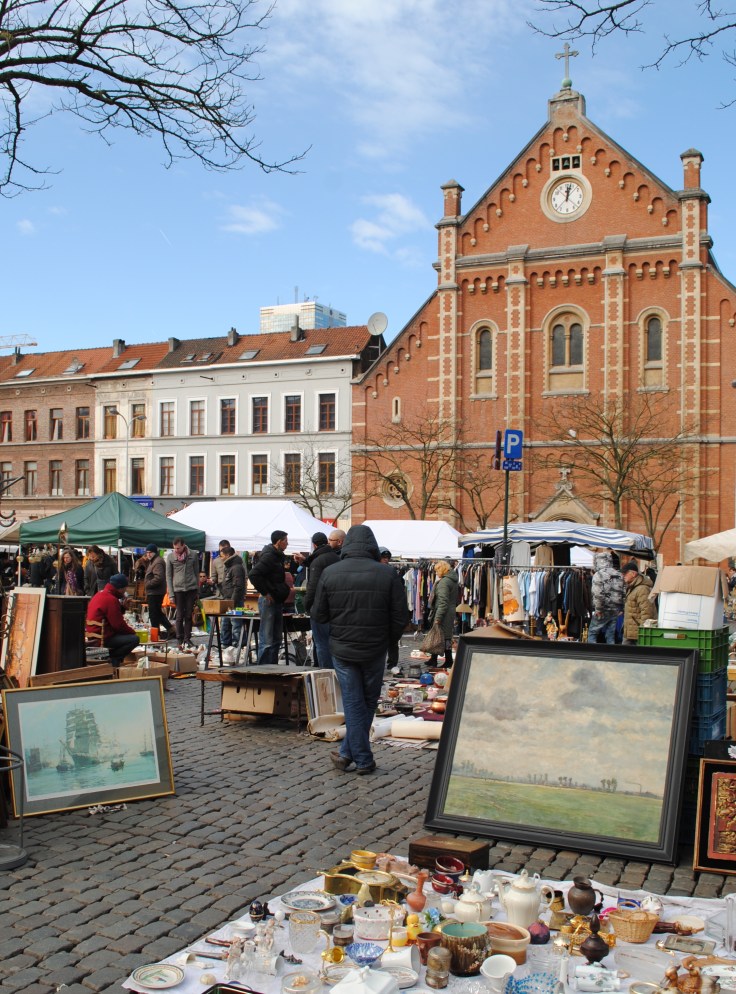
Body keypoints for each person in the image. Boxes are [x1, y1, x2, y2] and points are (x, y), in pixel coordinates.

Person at [311, 524, 410, 775]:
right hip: (375, 648)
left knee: (356, 702)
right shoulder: (387, 574)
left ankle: (349, 754)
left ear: (346, 544)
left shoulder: (331, 572)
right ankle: (361, 758)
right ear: (372, 545)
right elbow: (401, 616)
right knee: (365, 702)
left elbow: (319, 613)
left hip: (343, 648)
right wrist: (387, 639)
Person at [304, 530, 345, 669]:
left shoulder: (318, 561)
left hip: (321, 609)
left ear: (314, 545)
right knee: (332, 643)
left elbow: (312, 587)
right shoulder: (337, 558)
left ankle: (325, 672)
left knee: (321, 644)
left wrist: (307, 606)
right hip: (336, 608)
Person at [248, 530, 289, 665]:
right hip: (268, 601)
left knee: (276, 638)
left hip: (276, 600)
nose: (287, 543)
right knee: (267, 639)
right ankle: (264, 670)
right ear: (279, 542)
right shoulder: (269, 556)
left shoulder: (277, 556)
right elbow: (254, 574)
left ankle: (273, 668)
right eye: (286, 541)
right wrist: (266, 593)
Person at [86, 573, 140, 666]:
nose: (124, 592)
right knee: (134, 639)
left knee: (126, 637)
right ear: (120, 588)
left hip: (94, 636)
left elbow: (112, 617)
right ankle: (113, 659)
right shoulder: (111, 599)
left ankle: (109, 657)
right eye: (124, 589)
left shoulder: (99, 594)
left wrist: (122, 608)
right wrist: (133, 632)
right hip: (103, 638)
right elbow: (118, 625)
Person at [165, 537, 200, 650]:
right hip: (178, 589)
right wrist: (171, 593)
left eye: (178, 548)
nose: (176, 550)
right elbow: (169, 576)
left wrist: (197, 590)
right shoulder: (171, 557)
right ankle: (179, 638)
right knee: (179, 615)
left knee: (189, 615)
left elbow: (196, 572)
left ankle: (187, 638)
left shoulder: (193, 555)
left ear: (184, 545)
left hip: (191, 588)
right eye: (174, 548)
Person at [137, 544, 175, 640]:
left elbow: (159, 577)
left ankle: (158, 634)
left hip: (156, 592)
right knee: (156, 613)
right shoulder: (153, 561)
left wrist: (148, 584)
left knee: (154, 614)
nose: (148, 554)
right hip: (154, 591)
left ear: (155, 552)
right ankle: (166, 631)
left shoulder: (157, 562)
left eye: (150, 552)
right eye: (147, 552)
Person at [586, 551, 624, 645]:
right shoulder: (619, 574)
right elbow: (624, 592)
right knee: (610, 634)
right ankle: (610, 655)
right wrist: (622, 608)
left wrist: (598, 609)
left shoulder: (598, 575)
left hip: (603, 609)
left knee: (592, 632)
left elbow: (598, 594)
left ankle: (591, 654)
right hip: (615, 609)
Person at [427, 560, 459, 668]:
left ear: (442, 569)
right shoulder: (452, 580)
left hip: (444, 613)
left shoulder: (444, 582)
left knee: (442, 637)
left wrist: (438, 618)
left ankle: (448, 660)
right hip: (449, 612)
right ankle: (434, 659)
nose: (436, 572)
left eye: (437, 570)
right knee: (442, 636)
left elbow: (443, 602)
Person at [622, 561, 657, 645]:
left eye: (625, 573)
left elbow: (647, 611)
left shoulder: (642, 589)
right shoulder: (633, 587)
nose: (623, 576)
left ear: (633, 574)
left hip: (638, 632)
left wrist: (643, 631)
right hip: (631, 631)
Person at [220, 546, 246, 661]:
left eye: (221, 556)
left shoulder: (236, 567)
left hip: (234, 601)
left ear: (227, 555)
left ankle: (238, 648)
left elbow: (238, 586)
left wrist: (232, 602)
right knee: (225, 624)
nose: (220, 559)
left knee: (236, 625)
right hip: (228, 599)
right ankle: (226, 647)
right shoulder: (230, 566)